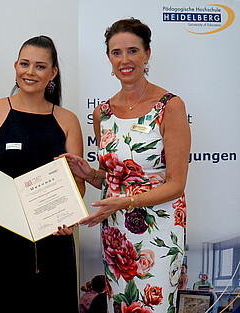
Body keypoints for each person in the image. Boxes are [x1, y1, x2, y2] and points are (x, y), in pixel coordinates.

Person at [62, 18, 191, 313]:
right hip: (116, 232)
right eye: (116, 52)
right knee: (122, 306)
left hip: (159, 233)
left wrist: (125, 202)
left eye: (132, 51)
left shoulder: (170, 106)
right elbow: (113, 180)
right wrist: (89, 174)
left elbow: (176, 184)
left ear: (147, 54)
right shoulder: (102, 113)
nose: (124, 60)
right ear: (109, 58)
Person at [0, 35, 84, 312]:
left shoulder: (67, 120)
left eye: (40, 66)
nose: (30, 72)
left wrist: (68, 216)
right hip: (0, 238)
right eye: (25, 64)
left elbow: (77, 184)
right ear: (15, 66)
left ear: (53, 73)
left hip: (53, 240)